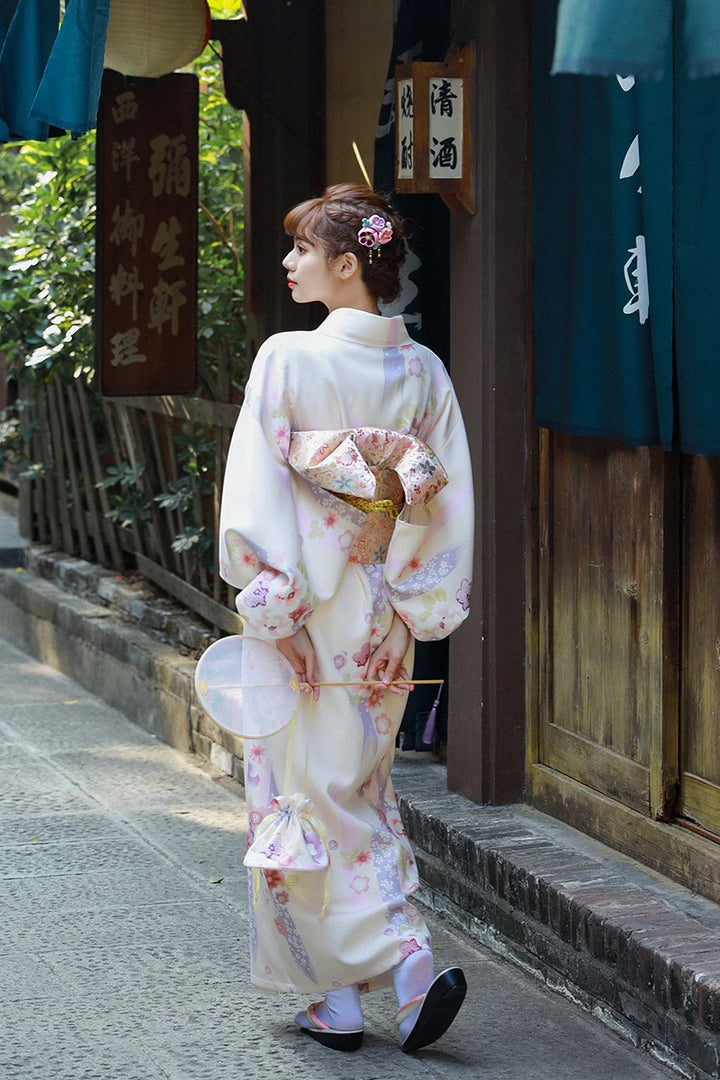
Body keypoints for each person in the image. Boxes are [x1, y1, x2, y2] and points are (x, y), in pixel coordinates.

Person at [218, 183, 474, 1053]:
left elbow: (258, 485)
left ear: (346, 264)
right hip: (380, 610)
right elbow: (440, 506)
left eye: (300, 251)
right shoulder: (422, 372)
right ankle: (378, 968)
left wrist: (273, 596)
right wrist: (416, 595)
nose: (288, 263)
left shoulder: (289, 360)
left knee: (298, 791)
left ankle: (368, 975)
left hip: (304, 606)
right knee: (358, 782)